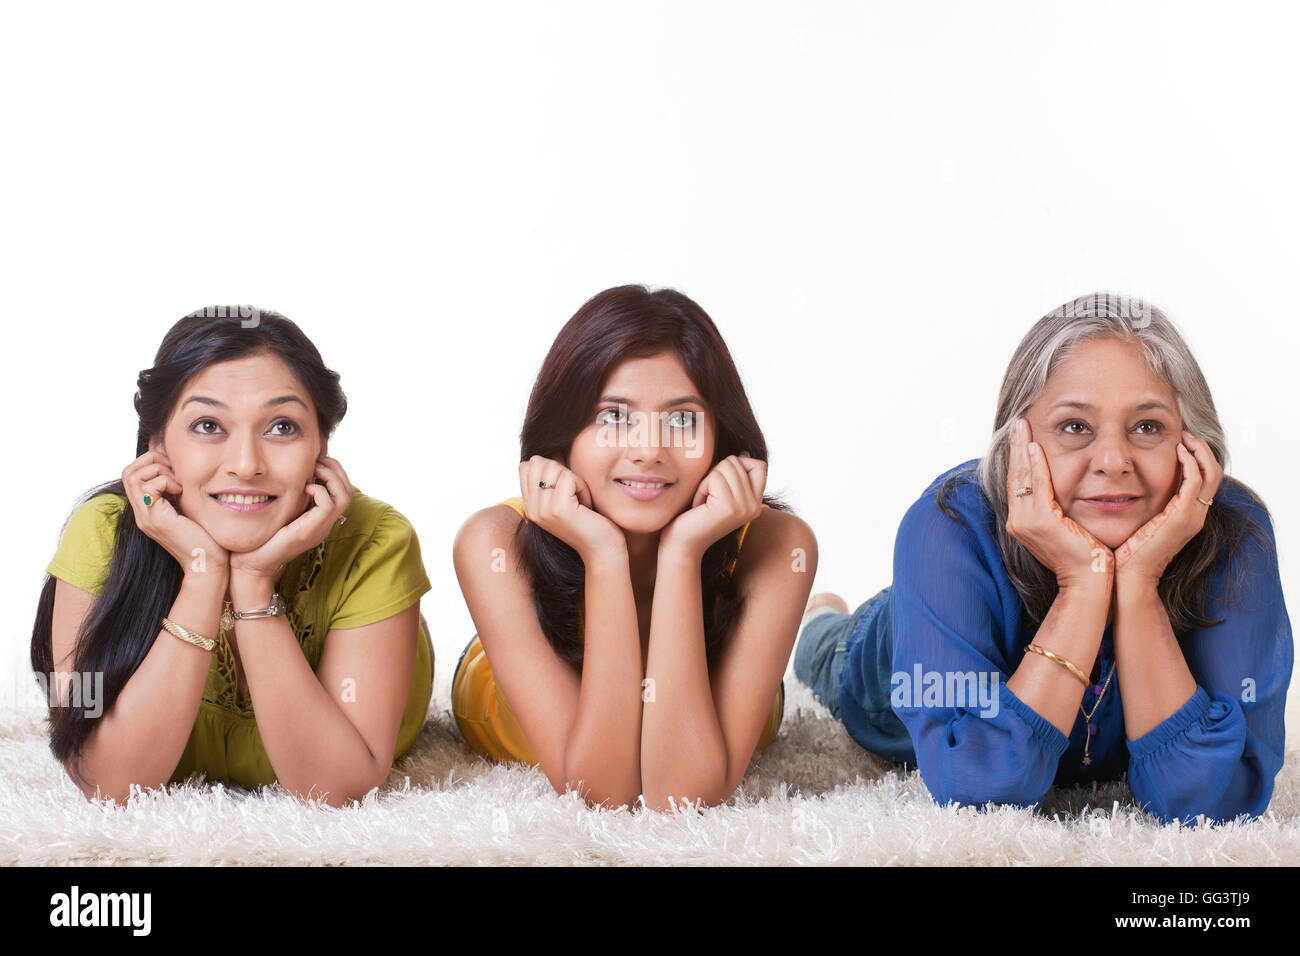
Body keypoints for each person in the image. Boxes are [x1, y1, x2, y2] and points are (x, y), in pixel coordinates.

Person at [795, 294, 1290, 825]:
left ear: (1193, 444)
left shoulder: (1236, 533)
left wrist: (1137, 586)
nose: (1113, 462)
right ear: (1017, 442)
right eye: (1075, 426)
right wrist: (1083, 584)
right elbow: (977, 786)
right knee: (826, 650)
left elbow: (1219, 801)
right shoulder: (948, 526)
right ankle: (823, 614)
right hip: (888, 642)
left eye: (1146, 426)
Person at [31, 308, 434, 808]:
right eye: (207, 425)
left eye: (282, 427)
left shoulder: (377, 541)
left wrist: (253, 583)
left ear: (322, 447)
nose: (245, 465)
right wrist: (204, 576)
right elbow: (110, 784)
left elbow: (339, 788)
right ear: (157, 444)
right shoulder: (102, 532)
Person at [452, 285, 817, 811]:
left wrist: (682, 554)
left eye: (682, 419)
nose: (648, 450)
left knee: (830, 651)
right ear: (561, 436)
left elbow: (681, 794)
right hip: (502, 673)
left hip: (728, 678)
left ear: (720, 435)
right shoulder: (493, 542)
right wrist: (604, 556)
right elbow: (604, 791)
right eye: (613, 416)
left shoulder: (778, 544)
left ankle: (827, 625)